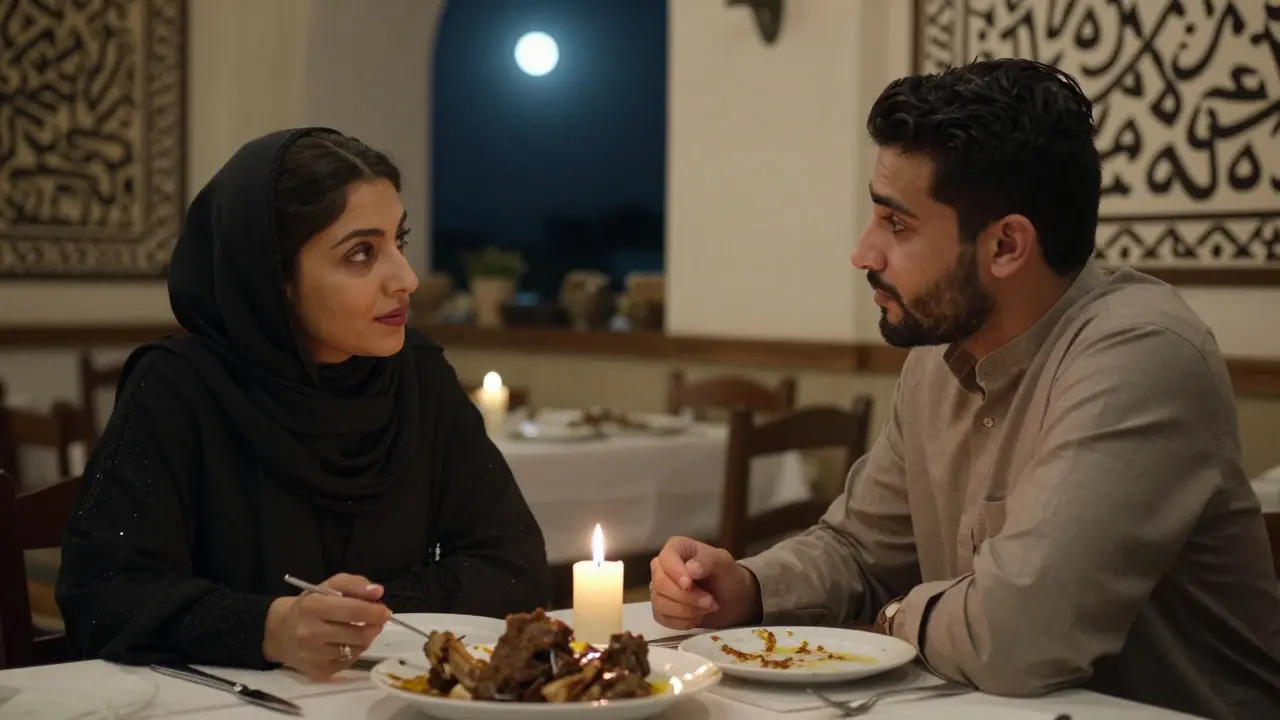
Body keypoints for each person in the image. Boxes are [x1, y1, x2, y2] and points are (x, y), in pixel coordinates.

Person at [649, 59, 1280, 718]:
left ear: (1006, 245)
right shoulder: (940, 355)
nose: (863, 253)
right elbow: (860, 550)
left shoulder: (1141, 354)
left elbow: (1016, 637)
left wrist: (891, 621)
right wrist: (748, 586)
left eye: (897, 225)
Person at [56, 128, 550, 679]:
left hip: (395, 700)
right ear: (274, 278)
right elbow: (103, 599)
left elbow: (514, 569)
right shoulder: (176, 389)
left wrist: (360, 617)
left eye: (398, 242)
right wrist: (269, 626)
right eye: (363, 253)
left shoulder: (417, 374)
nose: (406, 279)